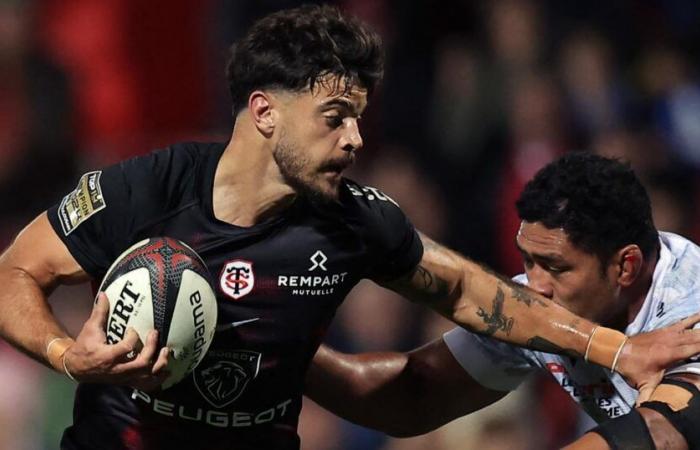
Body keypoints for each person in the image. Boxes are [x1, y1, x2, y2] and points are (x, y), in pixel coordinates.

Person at [0, 6, 697, 450]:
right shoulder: (148, 189)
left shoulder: (351, 219)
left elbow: (468, 292)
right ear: (265, 112)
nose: (357, 138)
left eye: (359, 116)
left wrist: (610, 349)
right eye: (336, 117)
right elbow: (12, 274)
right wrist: (68, 355)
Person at [306, 152, 700, 450]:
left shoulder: (689, 305)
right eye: (528, 261)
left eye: (556, 267)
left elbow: (658, 435)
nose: (535, 287)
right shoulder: (543, 302)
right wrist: (282, 351)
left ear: (625, 267)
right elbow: (417, 394)